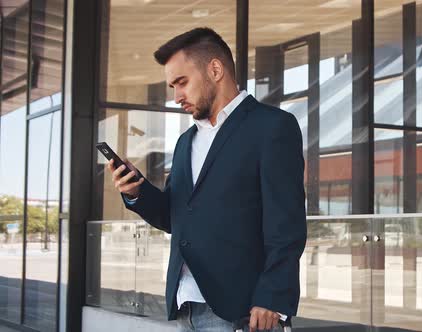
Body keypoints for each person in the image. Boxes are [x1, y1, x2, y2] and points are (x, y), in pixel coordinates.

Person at [107, 27, 307, 331]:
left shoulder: (272, 127)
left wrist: (274, 296)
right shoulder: (186, 141)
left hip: (241, 311)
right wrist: (138, 192)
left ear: (215, 69)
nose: (176, 97)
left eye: (181, 82)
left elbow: (287, 223)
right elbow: (178, 218)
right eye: (172, 86)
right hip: (185, 306)